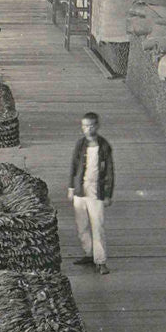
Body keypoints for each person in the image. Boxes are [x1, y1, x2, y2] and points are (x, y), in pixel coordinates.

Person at [68, 111, 115, 275]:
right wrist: (71, 188)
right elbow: (73, 167)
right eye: (85, 126)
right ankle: (89, 253)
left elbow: (110, 171)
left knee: (98, 226)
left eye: (91, 125)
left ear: (97, 126)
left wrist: (108, 194)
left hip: (97, 190)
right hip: (81, 190)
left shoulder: (104, 146)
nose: (88, 129)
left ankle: (101, 261)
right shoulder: (80, 145)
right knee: (82, 225)